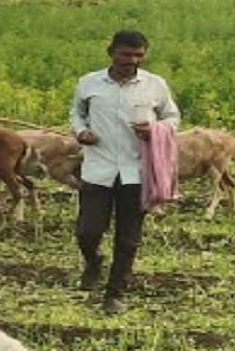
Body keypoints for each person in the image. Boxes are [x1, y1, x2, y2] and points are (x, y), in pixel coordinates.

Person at [70, 30, 180, 315]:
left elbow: (172, 117)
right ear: (111, 52)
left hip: (137, 171)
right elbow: (76, 113)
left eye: (138, 55)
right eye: (125, 54)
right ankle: (93, 262)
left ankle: (115, 293)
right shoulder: (89, 83)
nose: (131, 60)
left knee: (128, 238)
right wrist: (81, 131)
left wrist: (155, 130)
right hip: (98, 168)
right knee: (88, 230)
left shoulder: (154, 85)